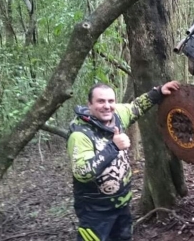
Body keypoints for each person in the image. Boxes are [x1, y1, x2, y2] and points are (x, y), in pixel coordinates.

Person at [66, 81, 180, 241]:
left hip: (122, 204)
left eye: (110, 101)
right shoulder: (80, 135)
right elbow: (82, 173)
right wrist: (114, 147)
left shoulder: (117, 115)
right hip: (95, 212)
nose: (107, 106)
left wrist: (159, 92)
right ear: (89, 104)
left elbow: (137, 107)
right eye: (100, 101)